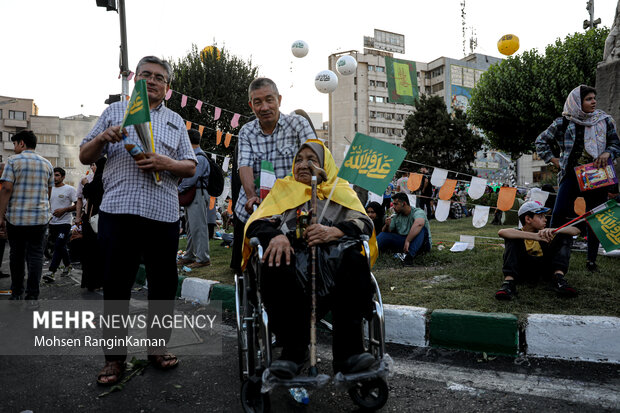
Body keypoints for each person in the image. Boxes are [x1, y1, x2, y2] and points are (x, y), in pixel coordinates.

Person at [80, 56, 197, 385]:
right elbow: (84, 155)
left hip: (163, 215)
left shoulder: (176, 121)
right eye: (146, 74)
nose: (152, 81)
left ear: (167, 87)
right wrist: (103, 138)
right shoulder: (115, 113)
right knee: (116, 287)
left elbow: (190, 167)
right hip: (119, 212)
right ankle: (114, 359)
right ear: (136, 80)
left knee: (163, 286)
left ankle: (156, 349)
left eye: (159, 77)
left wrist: (164, 162)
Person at [244, 140, 377, 377]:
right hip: (294, 267)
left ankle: (349, 355)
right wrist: (276, 236)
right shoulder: (283, 189)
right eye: (298, 160)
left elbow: (364, 222)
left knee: (355, 259)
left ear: (325, 165)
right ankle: (293, 352)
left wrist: (335, 231)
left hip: (333, 268)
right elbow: (258, 222)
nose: (303, 165)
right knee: (276, 259)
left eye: (311, 159)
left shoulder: (340, 190)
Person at [232, 78, 316, 272]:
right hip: (257, 209)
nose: (264, 107)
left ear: (279, 99)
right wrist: (251, 195)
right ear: (251, 105)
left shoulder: (298, 124)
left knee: (294, 262)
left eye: (269, 100)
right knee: (254, 266)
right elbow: (244, 164)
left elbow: (314, 156)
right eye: (257, 102)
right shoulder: (246, 131)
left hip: (293, 207)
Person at [535, 85, 620, 272]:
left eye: (594, 98)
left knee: (595, 216)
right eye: (589, 99)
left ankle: (591, 261)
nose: (594, 102)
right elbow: (540, 141)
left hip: (597, 176)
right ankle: (552, 254)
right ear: (577, 102)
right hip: (571, 176)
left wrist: (607, 153)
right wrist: (553, 159)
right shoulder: (563, 122)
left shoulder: (604, 121)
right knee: (558, 214)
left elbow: (616, 144)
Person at [0, 130, 54, 300]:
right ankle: (33, 294)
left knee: (16, 255)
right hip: (39, 219)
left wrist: (0, 215)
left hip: (16, 219)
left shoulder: (13, 161)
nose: (14, 147)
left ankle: (16, 292)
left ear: (22, 143)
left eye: (15, 144)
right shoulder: (47, 164)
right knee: (36, 255)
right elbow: (48, 192)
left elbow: (6, 189)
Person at [495, 201, 580, 300]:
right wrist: (535, 236)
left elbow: (576, 231)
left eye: (544, 216)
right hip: (523, 271)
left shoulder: (546, 233)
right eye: (540, 216)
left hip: (545, 270)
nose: (545, 219)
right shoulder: (518, 233)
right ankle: (509, 283)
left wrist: (555, 230)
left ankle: (558, 278)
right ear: (528, 219)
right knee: (512, 240)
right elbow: (501, 232)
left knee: (565, 236)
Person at [177, 129, 211, 268]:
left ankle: (203, 258)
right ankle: (189, 255)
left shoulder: (199, 158)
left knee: (199, 227)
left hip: (197, 193)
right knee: (190, 227)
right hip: (193, 193)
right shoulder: (195, 156)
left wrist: (177, 190)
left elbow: (191, 178)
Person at [376, 192, 431, 266]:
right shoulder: (395, 214)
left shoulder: (418, 211)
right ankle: (369, 251)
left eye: (396, 204)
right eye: (393, 204)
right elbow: (386, 232)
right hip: (405, 243)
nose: (393, 206)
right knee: (384, 235)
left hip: (420, 244)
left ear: (404, 204)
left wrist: (408, 240)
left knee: (422, 229)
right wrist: (387, 225)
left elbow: (419, 223)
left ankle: (409, 258)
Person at [42, 167, 77, 283]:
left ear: (63, 177)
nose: (54, 178)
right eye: (53, 175)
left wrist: (65, 209)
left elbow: (78, 205)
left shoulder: (70, 189)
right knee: (60, 246)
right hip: (52, 223)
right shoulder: (49, 189)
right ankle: (68, 265)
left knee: (58, 245)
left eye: (57, 175)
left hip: (65, 223)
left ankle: (51, 272)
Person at [79, 156, 106, 291]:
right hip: (103, 219)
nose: (92, 168)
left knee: (91, 252)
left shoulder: (100, 178)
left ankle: (92, 282)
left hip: (93, 220)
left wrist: (85, 184)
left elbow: (89, 192)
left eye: (94, 165)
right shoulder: (106, 177)